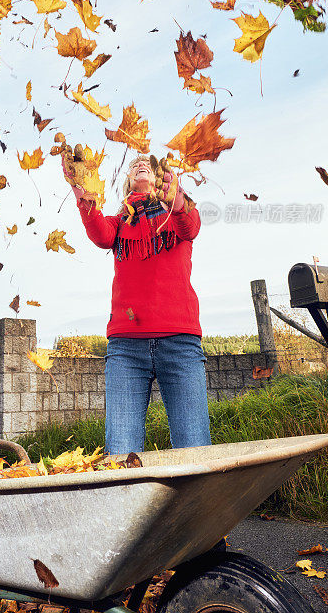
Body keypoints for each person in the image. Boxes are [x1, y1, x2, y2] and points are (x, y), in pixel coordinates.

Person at [62, 149, 211, 456]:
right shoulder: (119, 223)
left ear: (161, 180)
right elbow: (100, 235)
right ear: (129, 181)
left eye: (149, 165)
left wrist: (177, 196)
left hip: (179, 341)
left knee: (194, 449)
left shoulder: (179, 213)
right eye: (135, 166)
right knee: (120, 452)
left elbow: (190, 227)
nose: (141, 164)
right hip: (126, 347)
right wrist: (80, 187)